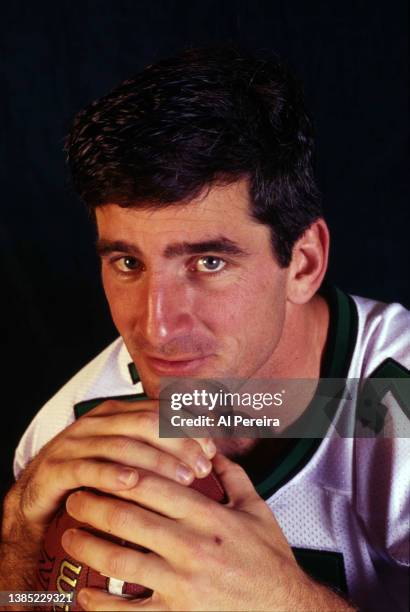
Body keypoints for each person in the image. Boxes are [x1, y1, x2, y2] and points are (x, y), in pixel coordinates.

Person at [1, 46, 408, 612]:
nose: (157, 328)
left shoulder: (396, 404)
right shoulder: (71, 430)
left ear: (304, 263)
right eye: (128, 263)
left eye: (208, 263)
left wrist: (287, 603)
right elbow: (27, 604)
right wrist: (20, 548)